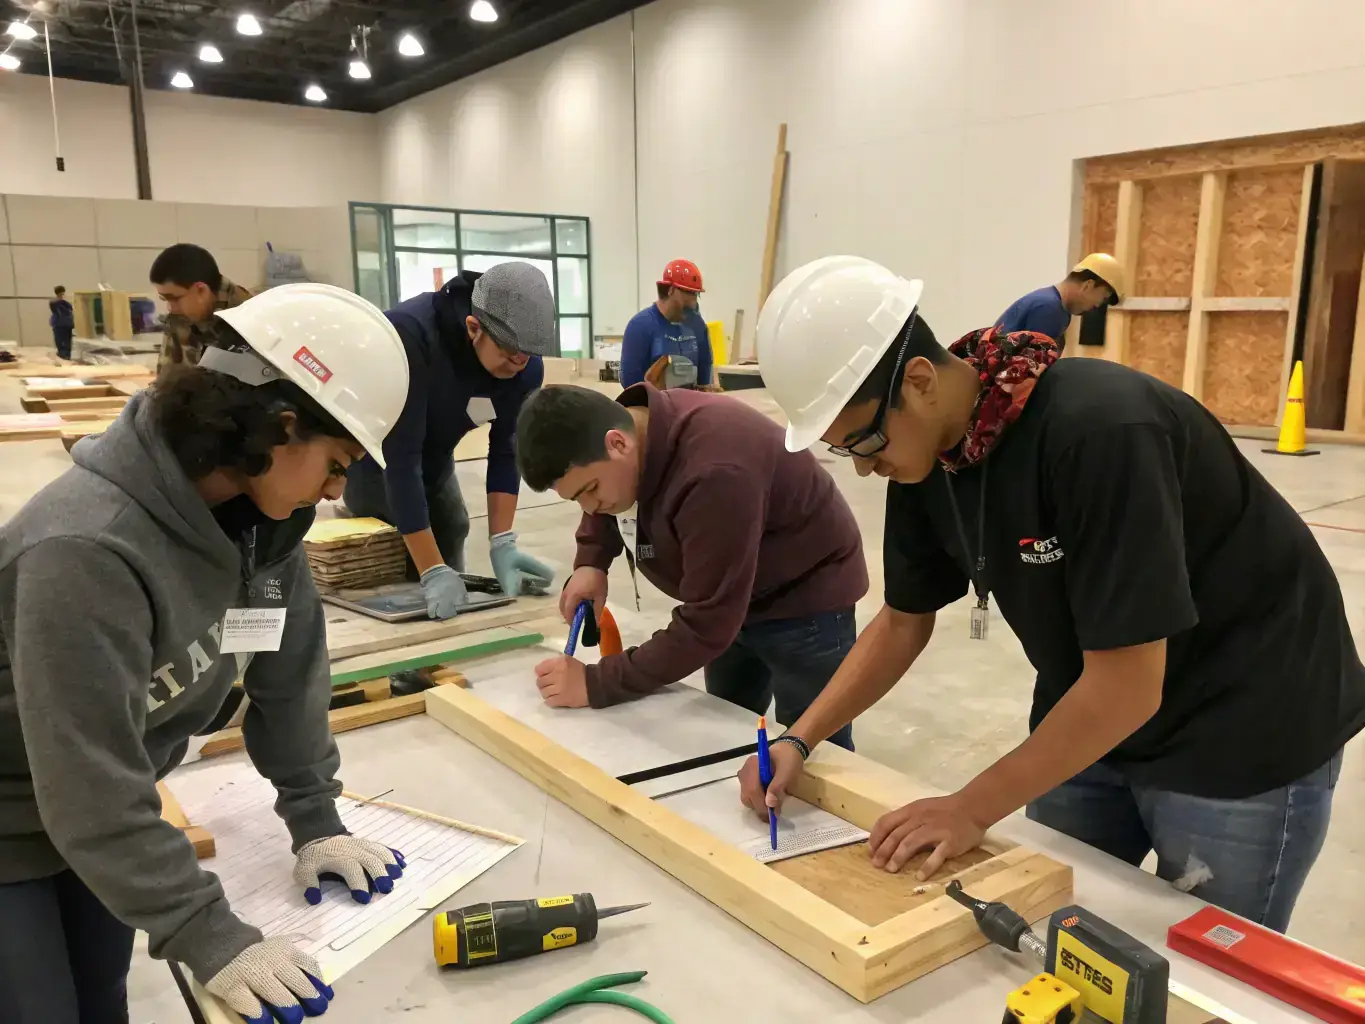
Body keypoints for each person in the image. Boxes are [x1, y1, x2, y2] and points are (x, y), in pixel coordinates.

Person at [738, 255, 1365, 932]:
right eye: (844, 450)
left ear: (918, 381)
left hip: (1245, 725)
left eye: (863, 439)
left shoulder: (1099, 432)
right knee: (1052, 931)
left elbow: (1128, 687)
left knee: (1205, 974)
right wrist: (801, 739)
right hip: (1091, 708)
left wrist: (970, 806)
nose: (863, 465)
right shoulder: (929, 456)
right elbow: (901, 622)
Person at [0, 283, 414, 1023]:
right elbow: (88, 787)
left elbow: (289, 682)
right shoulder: (87, 548)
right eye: (337, 462)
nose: (334, 491)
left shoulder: (261, 529)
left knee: (100, 998)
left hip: (90, 811)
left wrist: (316, 818)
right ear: (283, 428)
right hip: (13, 810)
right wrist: (211, 935)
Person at [515, 383, 867, 748]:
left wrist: (596, 683)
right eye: (577, 498)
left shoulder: (714, 470)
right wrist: (592, 561)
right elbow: (609, 496)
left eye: (589, 490)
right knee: (725, 728)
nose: (589, 507)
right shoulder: (630, 429)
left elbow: (706, 625)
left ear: (617, 443)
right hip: (733, 591)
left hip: (806, 599)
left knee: (810, 752)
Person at [343, 262, 557, 620]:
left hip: (436, 457)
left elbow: (506, 451)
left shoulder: (524, 367)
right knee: (393, 562)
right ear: (474, 328)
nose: (519, 366)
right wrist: (431, 570)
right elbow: (401, 458)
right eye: (509, 356)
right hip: (373, 461)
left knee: (452, 524)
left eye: (528, 356)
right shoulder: (411, 336)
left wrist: (502, 542)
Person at [150, 242, 253, 374]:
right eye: (165, 299)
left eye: (174, 298)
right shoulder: (180, 314)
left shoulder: (249, 318)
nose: (170, 308)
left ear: (201, 291)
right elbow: (165, 376)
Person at [995, 253, 1126, 349]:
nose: (1098, 305)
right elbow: (1031, 374)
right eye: (1103, 298)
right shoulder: (1049, 309)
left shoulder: (1054, 306)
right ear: (1088, 285)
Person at [619, 259, 714, 389]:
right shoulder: (640, 327)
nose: (693, 302)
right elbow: (631, 385)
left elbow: (705, 376)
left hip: (690, 406)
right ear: (671, 290)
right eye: (689, 293)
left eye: (696, 294)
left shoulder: (697, 325)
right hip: (653, 406)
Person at [48, 285, 74, 360]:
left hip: (59, 323)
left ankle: (63, 353)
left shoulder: (53, 302)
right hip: (65, 323)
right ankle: (66, 354)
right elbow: (70, 309)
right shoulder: (63, 302)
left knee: (60, 339)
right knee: (66, 340)